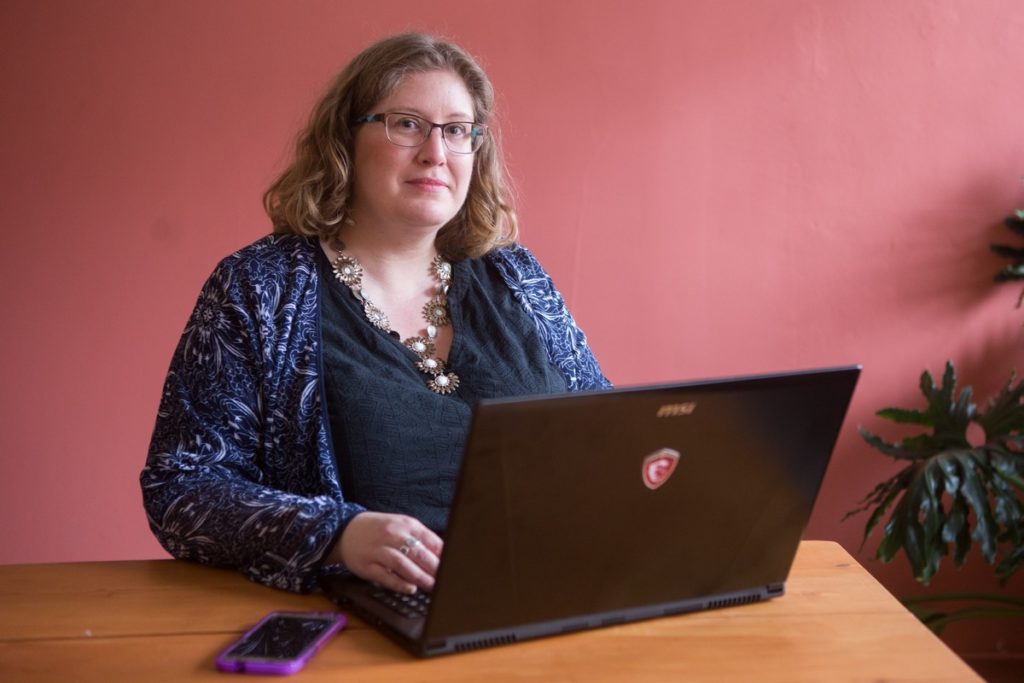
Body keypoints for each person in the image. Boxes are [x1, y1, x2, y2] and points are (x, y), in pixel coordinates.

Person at [141, 33, 610, 595]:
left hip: (559, 596)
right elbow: (184, 488)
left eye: (457, 130)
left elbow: (609, 437)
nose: (436, 152)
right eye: (407, 124)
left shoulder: (518, 275)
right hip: (371, 619)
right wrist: (338, 533)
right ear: (345, 140)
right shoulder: (261, 288)